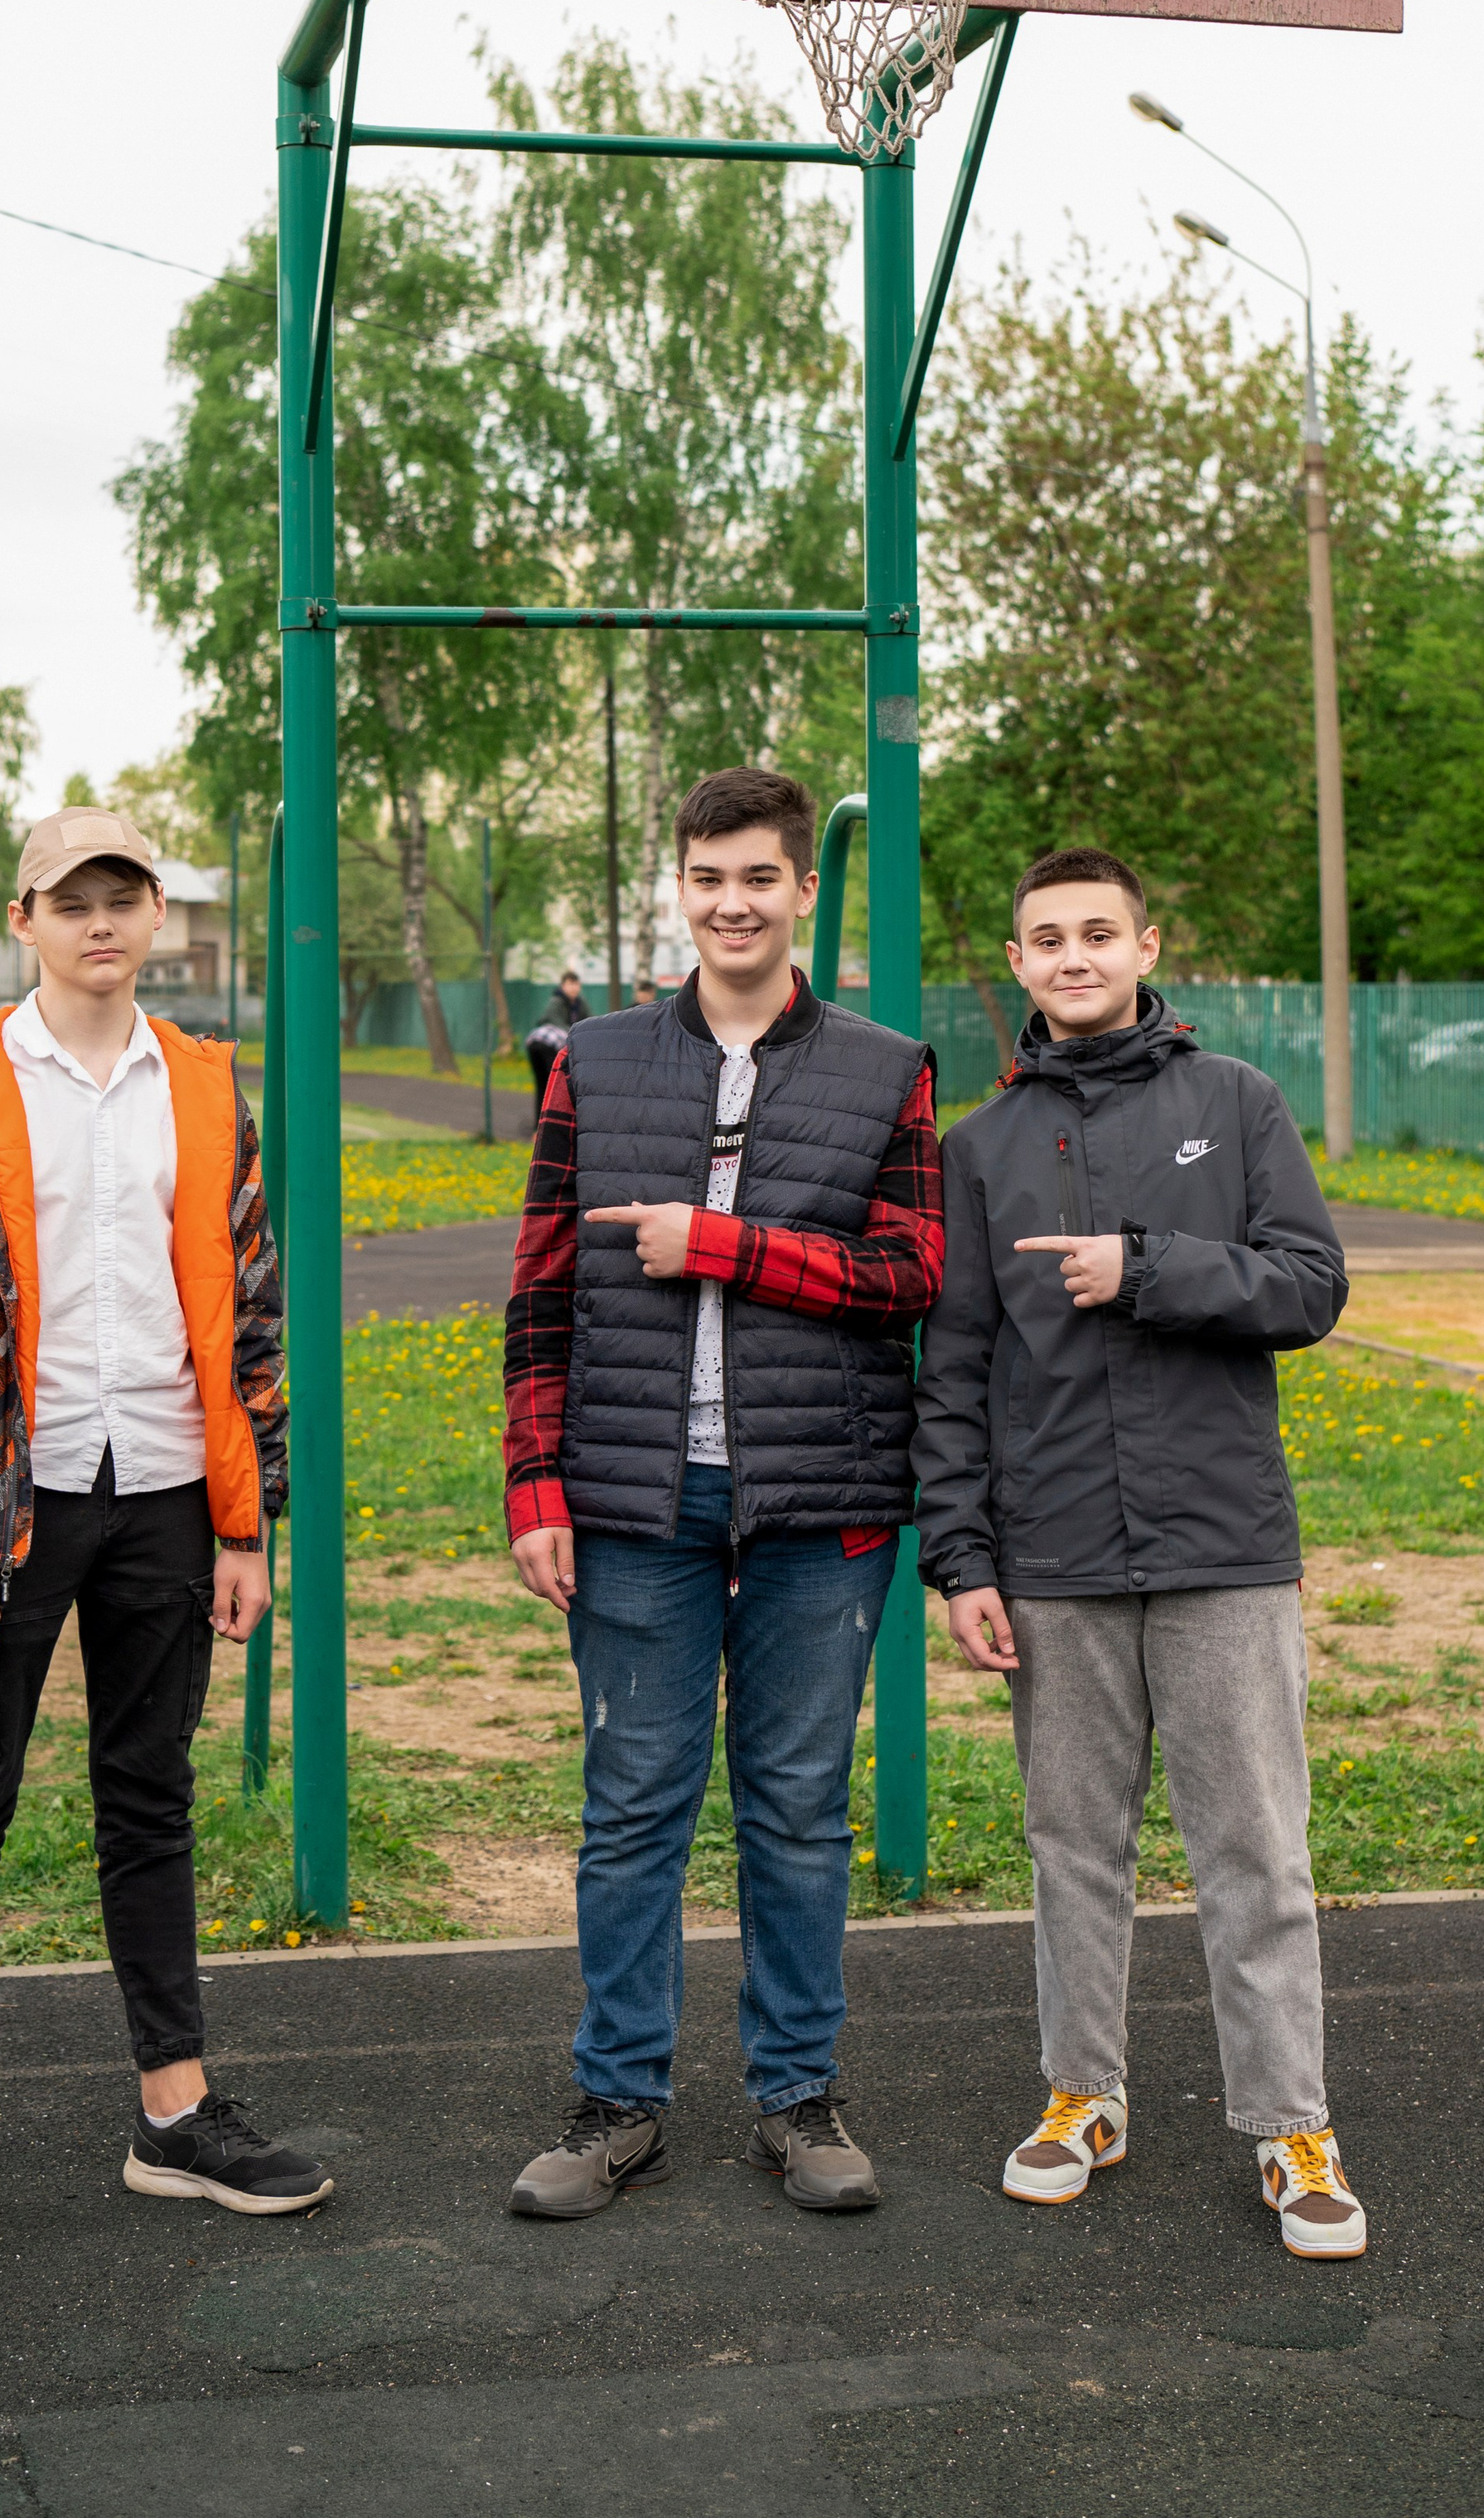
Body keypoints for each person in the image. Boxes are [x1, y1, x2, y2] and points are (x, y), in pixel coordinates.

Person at [0, 805, 331, 2279]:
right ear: (26, 919)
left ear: (157, 916)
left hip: (171, 1492)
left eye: (125, 895)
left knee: (151, 1798)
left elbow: (251, 1303)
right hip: (11, 1509)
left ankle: (174, 2115)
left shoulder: (201, 1079)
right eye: (73, 900)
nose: (102, 921)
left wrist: (247, 1522)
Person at [503, 766, 943, 2218]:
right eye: (708, 879)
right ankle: (617, 2101)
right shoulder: (595, 1061)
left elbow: (911, 1274)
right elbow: (541, 1290)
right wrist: (536, 1482)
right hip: (636, 1498)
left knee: (799, 1809)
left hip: (823, 1503)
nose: (733, 904)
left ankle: (796, 2097)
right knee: (632, 1806)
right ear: (679, 889)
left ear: (805, 889)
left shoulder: (887, 1067)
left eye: (760, 877)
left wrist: (730, 1245)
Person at [911, 847, 1363, 2259]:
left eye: (1097, 932)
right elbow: (953, 1370)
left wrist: (1150, 1267)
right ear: (1020, 962)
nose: (1075, 956)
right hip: (1053, 1557)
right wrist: (962, 1558)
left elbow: (1312, 1286)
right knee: (1072, 1848)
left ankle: (1292, 2124)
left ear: (1146, 945)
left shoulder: (1236, 1102)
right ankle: (1082, 2096)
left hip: (1224, 1546)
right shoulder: (980, 1148)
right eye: (1047, 938)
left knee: (1255, 1849)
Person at [524, 967, 587, 1109]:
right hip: (544, 1045)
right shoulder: (556, 1001)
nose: (574, 988)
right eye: (570, 984)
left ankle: (541, 1121)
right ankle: (544, 1120)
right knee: (549, 1086)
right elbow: (556, 1022)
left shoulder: (580, 1003)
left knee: (548, 1087)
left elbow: (589, 1020)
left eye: (576, 984)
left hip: (553, 1045)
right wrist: (575, 1033)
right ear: (563, 986)